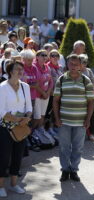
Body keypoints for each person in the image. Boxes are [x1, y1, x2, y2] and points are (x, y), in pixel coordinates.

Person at [53, 54, 94, 182]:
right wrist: (57, 118)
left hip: (80, 122)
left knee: (78, 147)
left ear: (81, 65)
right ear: (67, 64)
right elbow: (55, 101)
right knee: (64, 147)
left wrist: (88, 119)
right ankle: (65, 170)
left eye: (76, 64)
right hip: (64, 121)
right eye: (71, 64)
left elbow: (91, 102)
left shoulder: (86, 80)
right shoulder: (61, 79)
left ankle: (74, 170)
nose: (73, 66)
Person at [0, 61, 32, 197]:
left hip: (21, 127)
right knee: (3, 157)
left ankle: (14, 184)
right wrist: (19, 120)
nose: (21, 71)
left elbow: (29, 108)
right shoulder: (2, 87)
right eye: (17, 69)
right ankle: (1, 186)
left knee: (18, 156)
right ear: (10, 71)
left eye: (22, 69)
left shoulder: (25, 87)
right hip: (5, 128)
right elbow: (1, 111)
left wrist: (28, 118)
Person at [32, 50, 53, 131]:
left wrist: (47, 93)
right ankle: (31, 134)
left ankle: (39, 134)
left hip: (46, 95)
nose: (45, 57)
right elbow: (35, 83)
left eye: (46, 55)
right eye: (42, 55)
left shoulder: (47, 67)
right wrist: (43, 93)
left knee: (42, 116)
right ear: (37, 57)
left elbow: (51, 82)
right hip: (37, 95)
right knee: (37, 117)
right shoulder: (34, 67)